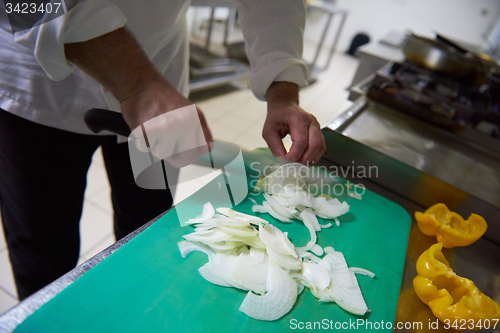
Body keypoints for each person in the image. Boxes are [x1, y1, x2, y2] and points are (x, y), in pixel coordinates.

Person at [0, 0, 326, 300]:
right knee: (43, 253)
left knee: (146, 229)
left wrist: (282, 89)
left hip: (158, 67)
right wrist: (136, 84)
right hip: (37, 85)